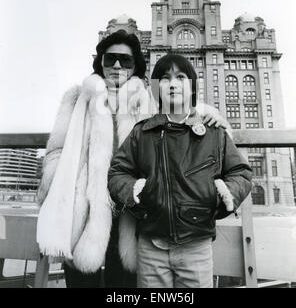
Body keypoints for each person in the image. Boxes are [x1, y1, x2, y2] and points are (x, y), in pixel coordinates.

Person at [36, 31, 230, 288]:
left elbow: (180, 116)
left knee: (125, 283)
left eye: (125, 61)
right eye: (110, 58)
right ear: (101, 62)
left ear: (136, 66)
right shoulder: (76, 99)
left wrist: (208, 114)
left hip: (132, 207)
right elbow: (56, 151)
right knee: (82, 279)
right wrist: (53, 187)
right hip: (83, 206)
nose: (117, 66)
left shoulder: (148, 99)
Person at [108, 54, 252, 288]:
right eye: (165, 78)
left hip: (197, 246)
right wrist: (135, 192)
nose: (173, 83)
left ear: (192, 86)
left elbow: (241, 173)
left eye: (181, 77)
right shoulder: (141, 133)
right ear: (156, 88)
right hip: (150, 245)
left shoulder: (213, 132)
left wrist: (219, 195)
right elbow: (117, 173)